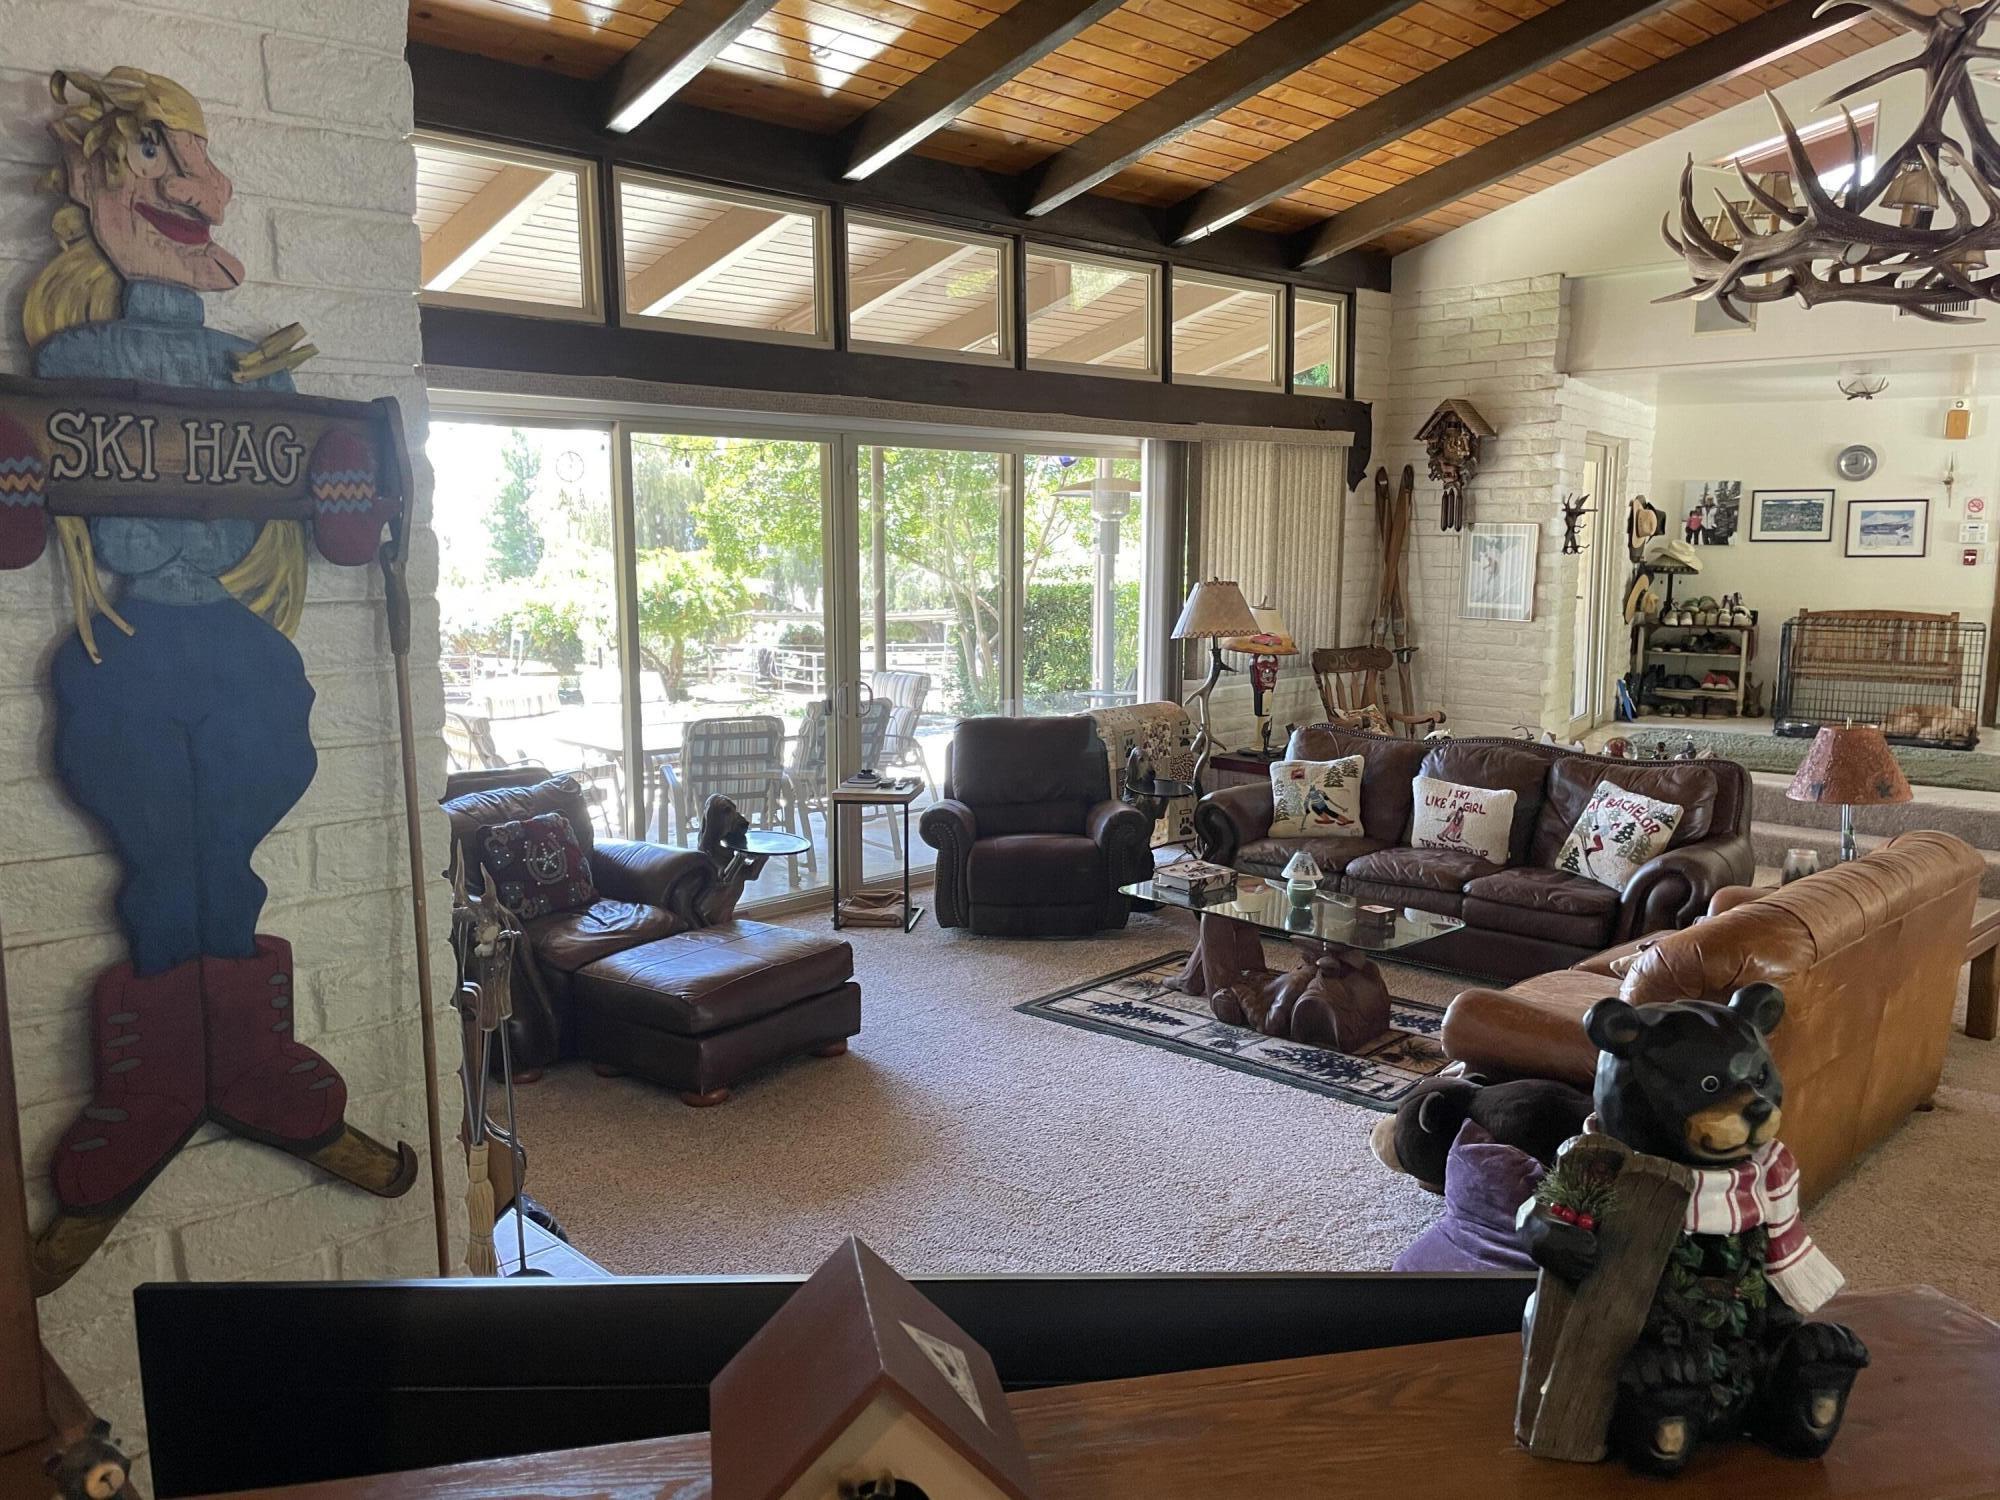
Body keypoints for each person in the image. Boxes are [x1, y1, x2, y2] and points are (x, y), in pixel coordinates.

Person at [21, 68, 360, 1227]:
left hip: (235, 638)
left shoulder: (247, 366)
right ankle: (164, 1080)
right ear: (93, 181)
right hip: (128, 636)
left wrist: (347, 480)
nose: (193, 187)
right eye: (156, 158)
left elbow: (328, 499)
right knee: (158, 847)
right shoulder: (71, 361)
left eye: (199, 160)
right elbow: (29, 501)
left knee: (247, 807)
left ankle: (240, 1057)